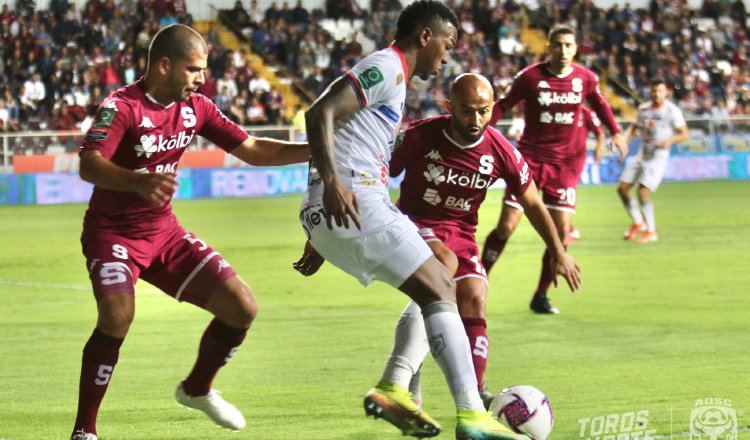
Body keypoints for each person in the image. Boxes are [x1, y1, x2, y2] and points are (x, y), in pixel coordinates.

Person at [297, 2, 527, 438]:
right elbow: (318, 113)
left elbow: (344, 133)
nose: (447, 55)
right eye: (447, 44)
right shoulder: (386, 66)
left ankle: (400, 389)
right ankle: (470, 414)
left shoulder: (394, 80)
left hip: (336, 211)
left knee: (433, 286)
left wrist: (321, 224)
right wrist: (331, 183)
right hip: (355, 197)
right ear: (426, 36)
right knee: (443, 282)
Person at [70, 24, 309, 440]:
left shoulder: (197, 107)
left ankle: (197, 388)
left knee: (242, 307)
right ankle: (84, 431)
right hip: (113, 234)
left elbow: (251, 148)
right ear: (165, 64)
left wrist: (316, 150)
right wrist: (136, 181)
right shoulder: (122, 105)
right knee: (117, 315)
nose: (202, 78)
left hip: (164, 233)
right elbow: (89, 163)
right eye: (194, 68)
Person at [295, 74, 581, 412]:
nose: (475, 121)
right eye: (466, 111)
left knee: (474, 297)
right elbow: (367, 174)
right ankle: (404, 377)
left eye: (483, 112)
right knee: (443, 265)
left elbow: (532, 202)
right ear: (449, 107)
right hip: (411, 223)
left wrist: (559, 252)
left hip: (461, 233)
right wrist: (322, 236)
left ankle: (475, 396)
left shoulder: (501, 151)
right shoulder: (420, 135)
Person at [479, 24, 628, 315]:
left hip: (564, 166)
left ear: (575, 49)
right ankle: (478, 279)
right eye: (557, 45)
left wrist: (615, 131)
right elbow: (505, 104)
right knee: (506, 226)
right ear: (549, 47)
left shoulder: (585, 78)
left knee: (560, 233)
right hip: (530, 161)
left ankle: (541, 295)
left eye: (568, 45)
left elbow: (599, 104)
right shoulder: (530, 77)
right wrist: (480, 129)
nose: (563, 50)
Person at [617, 78, 688, 243]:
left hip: (658, 155)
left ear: (666, 92)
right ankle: (638, 222)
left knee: (642, 190)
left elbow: (684, 133)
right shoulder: (644, 109)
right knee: (622, 188)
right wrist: (623, 141)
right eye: (654, 91)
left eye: (660, 91)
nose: (657, 94)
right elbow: (635, 128)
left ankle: (651, 231)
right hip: (643, 151)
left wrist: (669, 141)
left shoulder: (672, 111)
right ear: (650, 92)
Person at [567, 105, 606, 244]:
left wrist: (599, 150)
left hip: (575, 160)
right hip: (556, 158)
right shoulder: (559, 109)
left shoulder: (586, 113)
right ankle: (567, 227)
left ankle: (569, 229)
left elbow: (600, 133)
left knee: (566, 192)